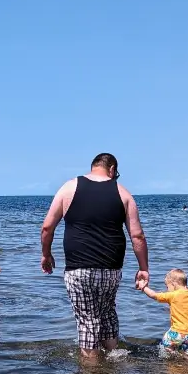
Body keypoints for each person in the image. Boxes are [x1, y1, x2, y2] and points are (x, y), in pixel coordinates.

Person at [41, 153, 149, 358]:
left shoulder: (68, 188)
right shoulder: (124, 194)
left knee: (87, 321)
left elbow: (47, 227)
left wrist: (46, 254)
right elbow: (138, 236)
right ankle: (113, 364)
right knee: (107, 314)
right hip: (111, 269)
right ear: (112, 169)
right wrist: (143, 268)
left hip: (78, 269)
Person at [137, 269, 188, 358]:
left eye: (167, 287)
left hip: (175, 333)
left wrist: (143, 287)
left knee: (165, 351)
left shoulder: (173, 295)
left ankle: (170, 362)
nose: (167, 289)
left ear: (174, 284)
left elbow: (154, 295)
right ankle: (186, 368)